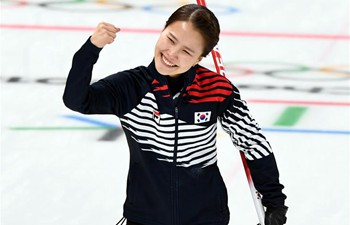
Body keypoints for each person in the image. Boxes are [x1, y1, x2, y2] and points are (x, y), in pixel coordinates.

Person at [63, 4, 288, 225]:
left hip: (207, 218)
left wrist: (274, 201)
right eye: (171, 39)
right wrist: (91, 48)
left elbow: (252, 142)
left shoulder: (217, 90)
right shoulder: (131, 87)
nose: (172, 54)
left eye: (187, 51)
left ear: (200, 58)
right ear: (162, 30)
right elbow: (77, 100)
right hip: (145, 217)